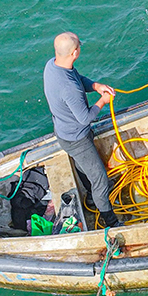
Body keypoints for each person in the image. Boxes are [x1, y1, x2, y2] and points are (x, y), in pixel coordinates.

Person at [42, 32, 124, 228]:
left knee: (83, 166)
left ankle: (91, 199)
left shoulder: (52, 65)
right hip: (77, 139)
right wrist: (103, 101)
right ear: (75, 53)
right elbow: (85, 118)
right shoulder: (69, 89)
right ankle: (110, 221)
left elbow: (76, 77)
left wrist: (95, 85)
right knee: (100, 179)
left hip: (64, 132)